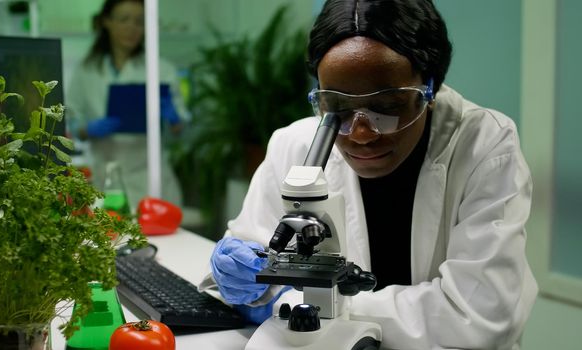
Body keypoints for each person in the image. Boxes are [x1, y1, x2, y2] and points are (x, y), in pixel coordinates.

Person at [200, 0, 538, 349]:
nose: (361, 132)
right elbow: (253, 269)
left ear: (430, 90)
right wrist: (243, 279)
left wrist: (319, 305)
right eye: (338, 108)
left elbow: (477, 315)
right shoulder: (294, 144)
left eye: (388, 107)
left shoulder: (485, 145)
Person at [66, 0, 186, 209]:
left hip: (152, 181)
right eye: (124, 20)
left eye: (140, 21)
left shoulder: (162, 69)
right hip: (105, 179)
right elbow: (72, 120)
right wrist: (86, 129)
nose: (132, 28)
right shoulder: (86, 70)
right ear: (107, 22)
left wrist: (174, 118)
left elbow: (180, 128)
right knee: (110, 238)